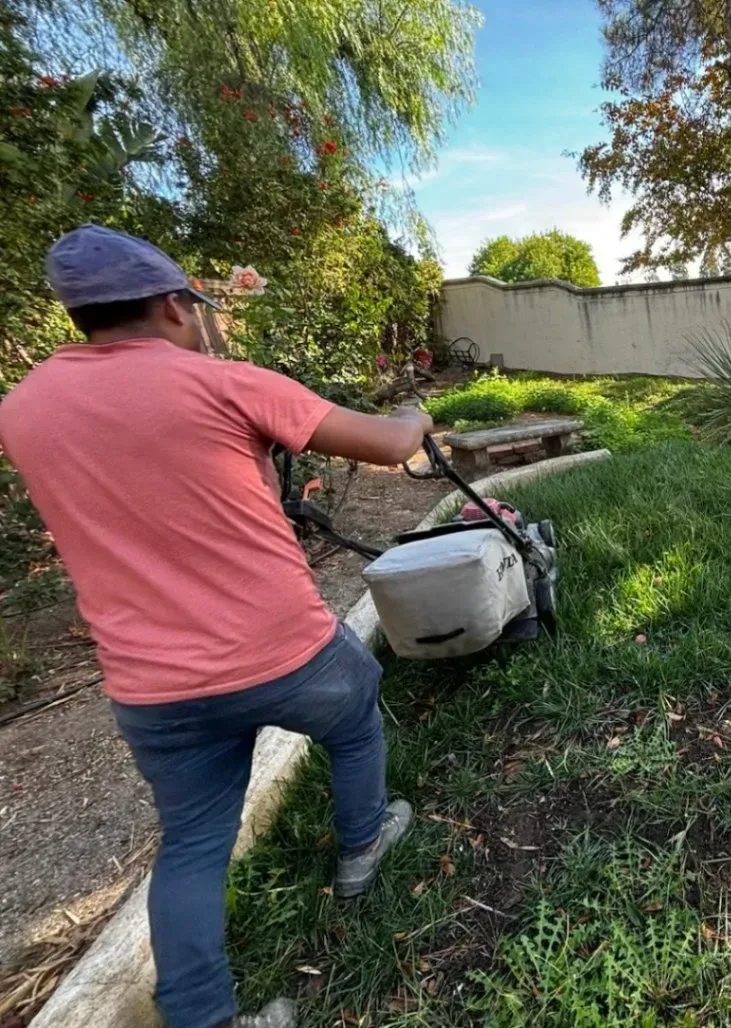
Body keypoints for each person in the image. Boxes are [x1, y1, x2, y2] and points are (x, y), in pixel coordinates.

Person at [0, 226, 433, 1028]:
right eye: (196, 310)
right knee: (357, 707)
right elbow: (386, 443)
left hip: (152, 687)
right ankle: (363, 846)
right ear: (172, 306)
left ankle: (204, 1018)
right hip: (284, 652)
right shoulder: (225, 383)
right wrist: (414, 410)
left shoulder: (21, 410)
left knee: (194, 840)